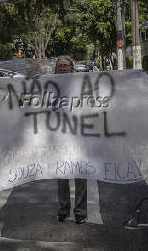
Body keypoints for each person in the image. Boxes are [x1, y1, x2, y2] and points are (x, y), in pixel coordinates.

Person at [54, 57, 87, 224]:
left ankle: (80, 212)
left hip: (79, 137)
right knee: (62, 177)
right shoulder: (49, 86)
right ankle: (63, 209)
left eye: (66, 66)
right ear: (56, 69)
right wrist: (0, 84)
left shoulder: (82, 84)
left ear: (72, 69)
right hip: (60, 138)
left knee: (81, 177)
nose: (63, 68)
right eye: (60, 66)